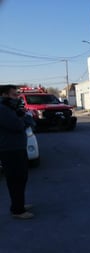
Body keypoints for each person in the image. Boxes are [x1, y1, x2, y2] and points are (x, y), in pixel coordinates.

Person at [0, 84, 33, 219]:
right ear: (4, 95)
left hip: (17, 147)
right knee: (15, 179)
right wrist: (24, 118)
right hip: (10, 149)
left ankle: (19, 204)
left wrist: (23, 117)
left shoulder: (10, 108)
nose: (17, 97)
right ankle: (17, 210)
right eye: (14, 95)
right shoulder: (2, 109)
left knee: (21, 178)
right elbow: (18, 125)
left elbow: (29, 121)